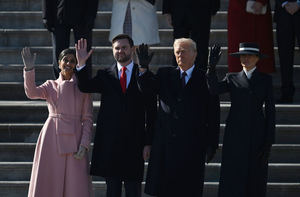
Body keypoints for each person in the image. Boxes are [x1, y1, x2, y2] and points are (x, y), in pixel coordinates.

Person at [75, 35, 156, 197]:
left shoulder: (145, 76)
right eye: (117, 48)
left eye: (124, 47)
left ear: (132, 50)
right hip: (110, 144)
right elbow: (84, 86)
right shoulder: (105, 75)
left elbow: (152, 112)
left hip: (135, 144)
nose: (120, 51)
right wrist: (81, 63)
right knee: (112, 191)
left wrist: (148, 142)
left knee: (133, 191)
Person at [142, 38, 220, 197]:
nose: (180, 55)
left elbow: (213, 114)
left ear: (195, 54)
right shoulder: (164, 74)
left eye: (184, 51)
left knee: (188, 190)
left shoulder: (204, 78)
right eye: (177, 51)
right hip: (165, 145)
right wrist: (143, 69)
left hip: (192, 147)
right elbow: (147, 88)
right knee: (163, 190)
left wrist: (212, 144)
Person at [206, 43, 276, 197]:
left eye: (250, 55)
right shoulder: (232, 77)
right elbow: (214, 89)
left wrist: (268, 142)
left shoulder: (265, 79)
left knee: (255, 177)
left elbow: (271, 111)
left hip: (257, 133)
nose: (246, 58)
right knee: (233, 176)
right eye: (243, 56)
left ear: (257, 59)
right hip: (235, 133)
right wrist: (211, 69)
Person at [22, 47, 93, 197]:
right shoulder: (50, 85)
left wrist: (85, 143)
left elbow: (87, 118)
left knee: (75, 184)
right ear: (59, 63)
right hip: (52, 137)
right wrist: (29, 70)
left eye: (72, 61)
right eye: (65, 60)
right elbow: (32, 93)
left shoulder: (83, 88)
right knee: (49, 180)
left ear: (75, 64)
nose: (68, 63)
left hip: (75, 139)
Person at [42, 0, 99, 79]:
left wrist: (91, 15)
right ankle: (60, 84)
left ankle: (84, 85)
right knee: (59, 54)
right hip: (59, 13)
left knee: (83, 52)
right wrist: (46, 15)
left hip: (83, 14)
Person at [162, 0, 220, 69]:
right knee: (180, 46)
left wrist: (214, 6)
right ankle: (178, 75)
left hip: (202, 8)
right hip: (179, 8)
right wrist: (167, 9)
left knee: (201, 46)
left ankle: (200, 75)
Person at [227, 0, 275, 74]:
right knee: (238, 47)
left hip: (259, 12)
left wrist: (261, 1)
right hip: (238, 9)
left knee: (262, 47)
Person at [274, 0, 300, 103]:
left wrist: (298, 3)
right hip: (283, 12)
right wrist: (284, 3)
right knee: (285, 56)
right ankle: (286, 93)